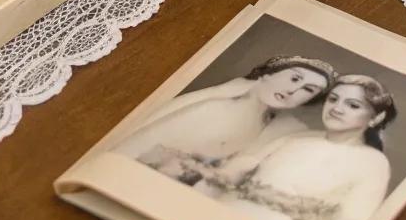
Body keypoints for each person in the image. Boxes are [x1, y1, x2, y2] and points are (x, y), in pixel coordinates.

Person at [203, 74, 396, 220]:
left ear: (375, 118)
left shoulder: (373, 162)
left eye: (353, 105)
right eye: (333, 99)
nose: (336, 108)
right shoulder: (296, 138)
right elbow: (237, 169)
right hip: (226, 219)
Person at [115, 56, 334, 179]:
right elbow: (137, 145)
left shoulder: (263, 122)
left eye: (308, 90)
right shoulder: (215, 104)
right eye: (295, 78)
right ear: (268, 73)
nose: (293, 91)